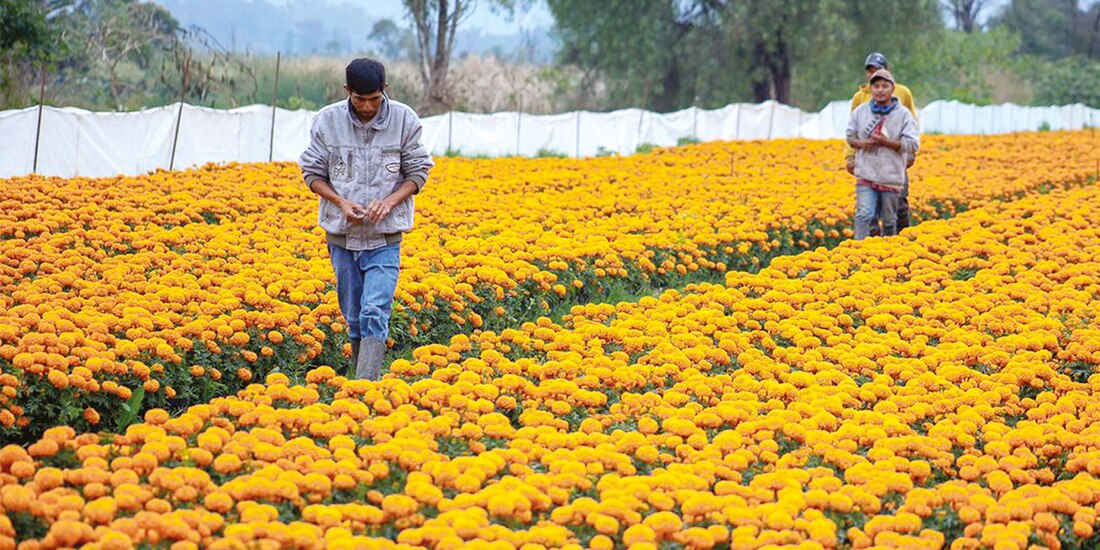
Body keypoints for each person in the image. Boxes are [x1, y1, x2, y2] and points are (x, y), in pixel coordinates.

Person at [298, 58, 434, 380]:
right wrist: (340, 201)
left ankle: (365, 384)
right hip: (342, 237)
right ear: (347, 91)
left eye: (374, 98)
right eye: (360, 99)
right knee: (355, 316)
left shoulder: (404, 120)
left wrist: (388, 202)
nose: (368, 106)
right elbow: (312, 173)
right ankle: (360, 379)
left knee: (375, 310)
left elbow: (418, 172)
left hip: (385, 238)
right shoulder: (327, 121)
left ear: (384, 90)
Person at [846, 52, 918, 234]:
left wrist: (907, 152)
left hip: (893, 166)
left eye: (884, 85)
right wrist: (851, 154)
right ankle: (865, 249)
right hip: (867, 166)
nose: (880, 89)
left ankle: (900, 241)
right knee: (865, 213)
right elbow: (851, 133)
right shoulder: (860, 101)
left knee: (895, 211)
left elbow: (912, 132)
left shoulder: (903, 96)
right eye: (870, 71)